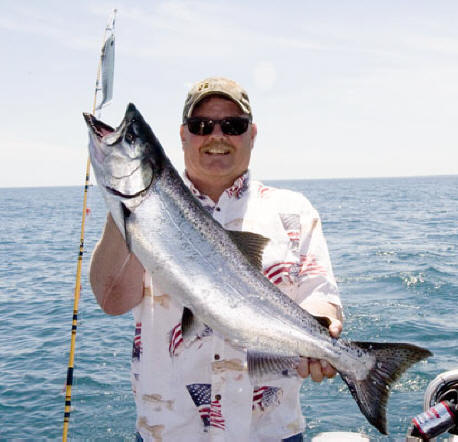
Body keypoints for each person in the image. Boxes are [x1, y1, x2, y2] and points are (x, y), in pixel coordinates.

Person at [90, 77, 343, 442]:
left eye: (233, 125)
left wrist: (323, 333)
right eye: (202, 125)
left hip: (271, 433)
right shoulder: (148, 214)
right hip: (169, 433)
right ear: (183, 136)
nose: (217, 135)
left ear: (252, 134)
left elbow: (320, 295)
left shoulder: (293, 211)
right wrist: (125, 207)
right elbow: (112, 300)